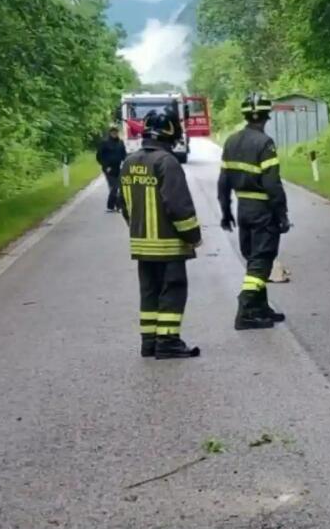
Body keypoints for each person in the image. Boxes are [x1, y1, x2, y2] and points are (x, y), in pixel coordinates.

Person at [116, 111, 203, 359]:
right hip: (168, 244)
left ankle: (149, 342)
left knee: (149, 292)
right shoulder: (167, 162)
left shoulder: (129, 162)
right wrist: (193, 236)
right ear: (170, 133)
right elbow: (178, 206)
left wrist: (137, 230)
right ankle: (167, 341)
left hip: (141, 244)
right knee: (172, 291)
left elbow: (124, 204)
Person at [217, 93, 289, 330]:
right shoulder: (265, 143)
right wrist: (282, 215)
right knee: (262, 260)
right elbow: (272, 184)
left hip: (243, 209)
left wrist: (226, 211)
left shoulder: (231, 141)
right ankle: (246, 308)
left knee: (254, 259)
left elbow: (223, 181)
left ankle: (260, 307)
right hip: (263, 210)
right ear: (267, 115)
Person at [96, 126, 126, 212]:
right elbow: (99, 156)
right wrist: (105, 166)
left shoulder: (120, 143)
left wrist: (126, 163)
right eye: (113, 133)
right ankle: (112, 206)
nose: (114, 134)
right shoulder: (105, 143)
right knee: (114, 187)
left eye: (116, 133)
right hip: (108, 168)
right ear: (110, 133)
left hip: (118, 168)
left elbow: (124, 155)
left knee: (118, 187)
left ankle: (117, 206)